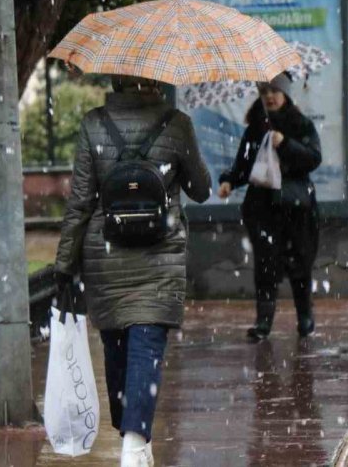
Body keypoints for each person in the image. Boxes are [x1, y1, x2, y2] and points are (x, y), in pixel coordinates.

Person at [53, 75, 211, 467]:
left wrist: (64, 264)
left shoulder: (94, 124)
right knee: (147, 345)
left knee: (117, 348)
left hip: (105, 255)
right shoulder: (178, 124)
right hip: (159, 256)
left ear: (114, 78)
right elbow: (201, 188)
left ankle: (132, 437)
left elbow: (80, 202)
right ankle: (135, 443)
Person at [217, 72, 322, 340]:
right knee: (266, 265)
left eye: (275, 91)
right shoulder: (256, 127)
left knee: (300, 264)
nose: (270, 97)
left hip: (297, 208)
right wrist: (230, 181)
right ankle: (263, 322)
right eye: (265, 92)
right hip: (263, 209)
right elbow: (244, 164)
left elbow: (313, 158)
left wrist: (285, 144)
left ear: (285, 93)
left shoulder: (301, 124)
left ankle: (305, 317)